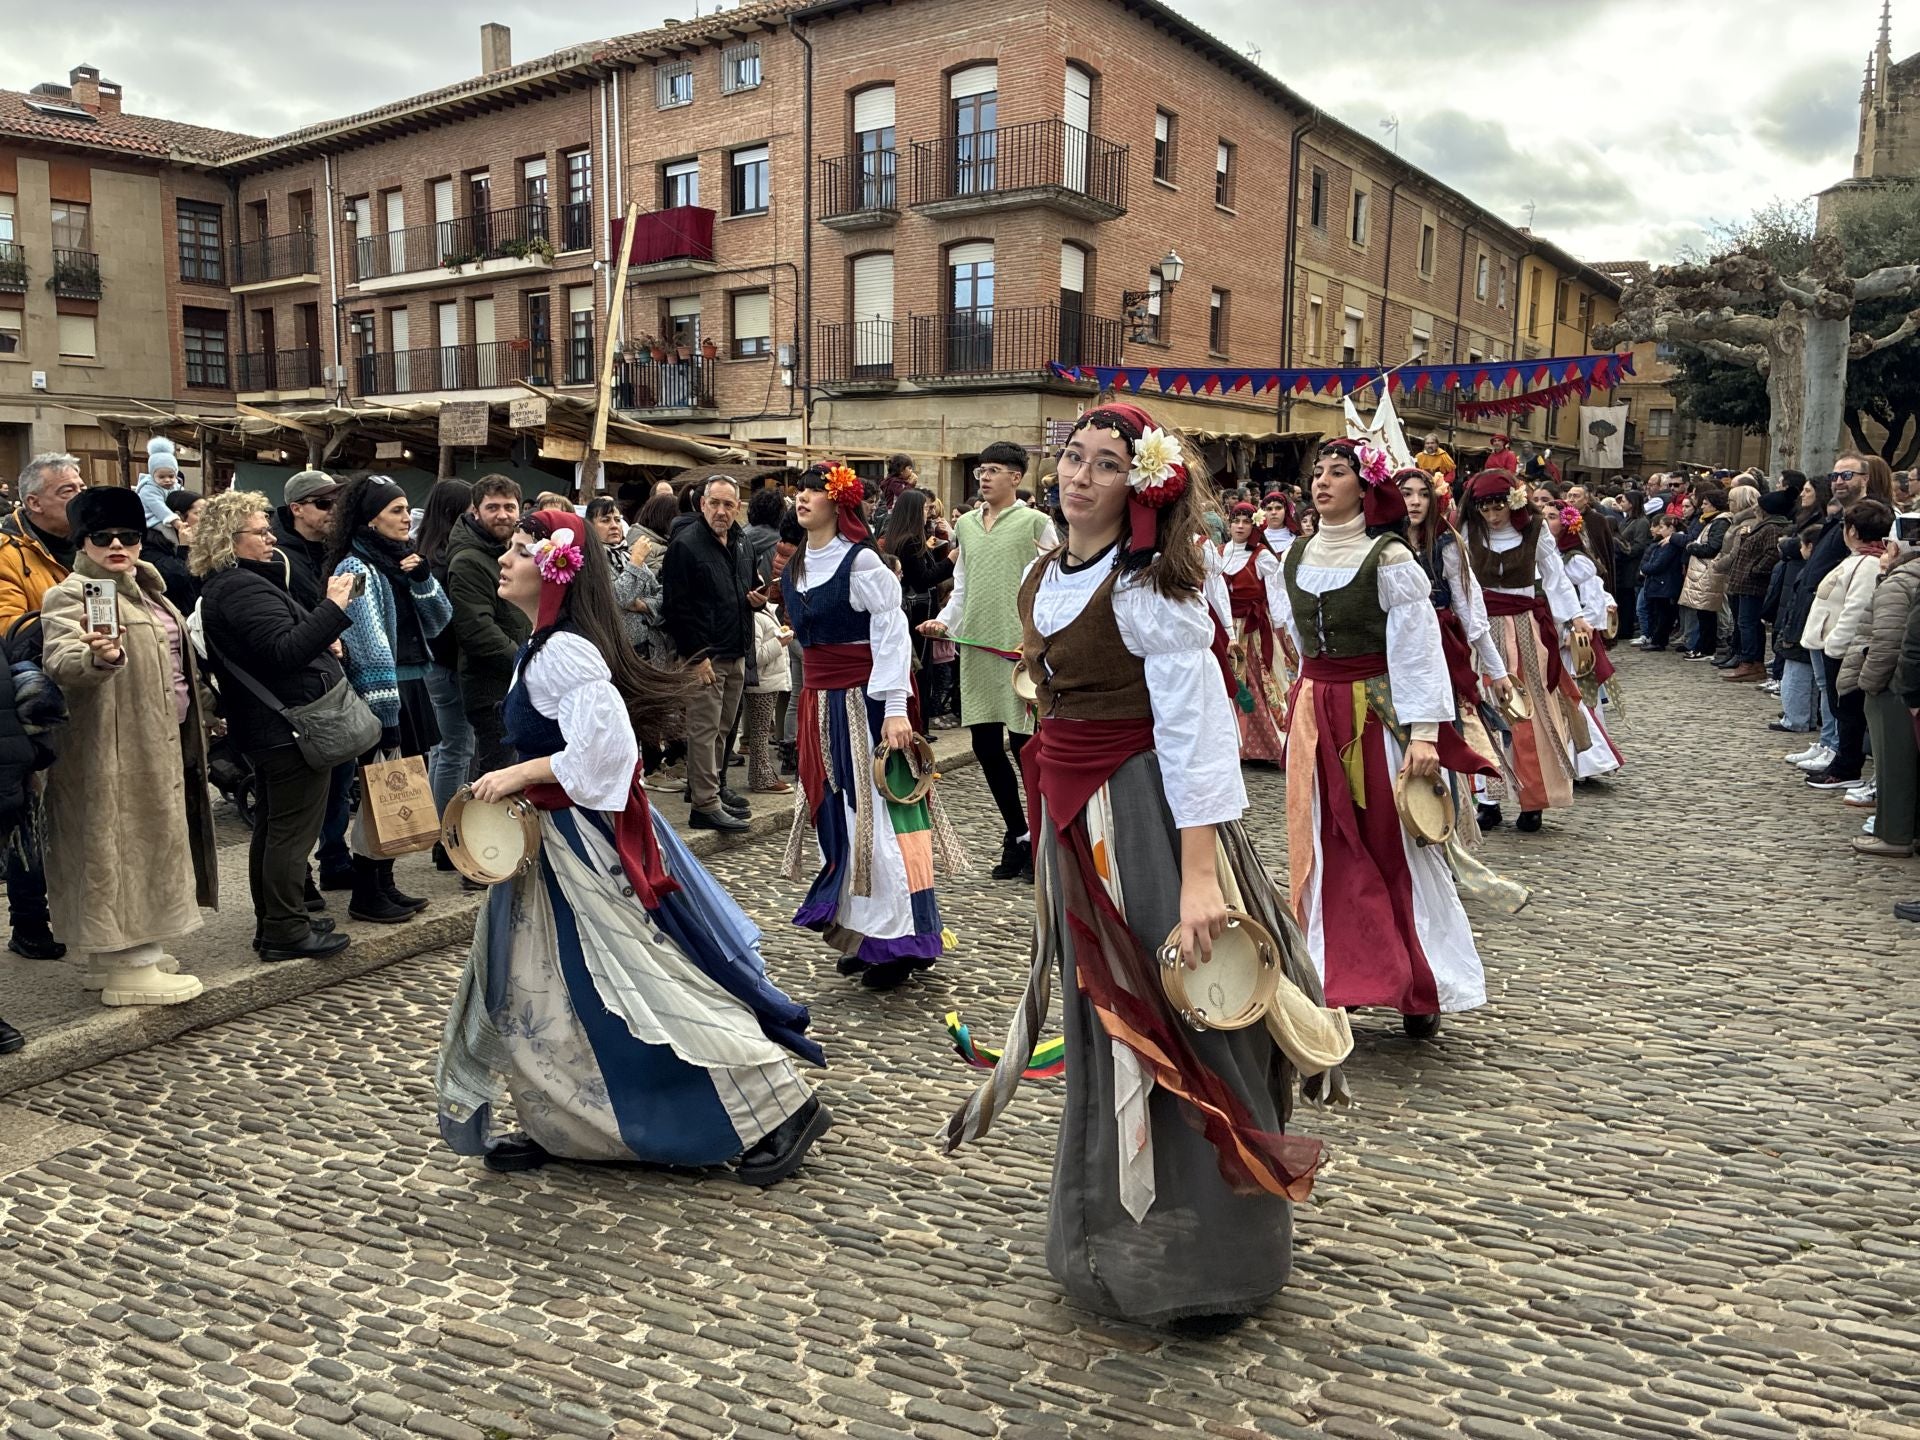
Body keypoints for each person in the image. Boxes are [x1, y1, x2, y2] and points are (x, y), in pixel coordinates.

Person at [944, 402, 1345, 1333]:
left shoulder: (1151, 589)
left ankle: (1210, 1259)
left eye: (1106, 464)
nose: (1080, 476)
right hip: (1075, 816)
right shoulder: (1047, 572)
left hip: (1144, 817)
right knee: (1105, 1018)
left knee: (1180, 1012)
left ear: (1142, 485)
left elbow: (1197, 734)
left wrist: (1199, 878)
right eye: (1073, 458)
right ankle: (1112, 1239)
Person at [436, 509, 832, 1184]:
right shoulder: (543, 646)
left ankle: (781, 1106)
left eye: (523, 550)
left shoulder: (565, 652)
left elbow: (609, 756)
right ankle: (567, 1124)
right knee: (541, 989)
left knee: (641, 977)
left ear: (556, 573)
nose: (505, 557)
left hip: (578, 847)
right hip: (547, 847)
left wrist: (520, 773)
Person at [1276, 438, 1492, 1032]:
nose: (1322, 482)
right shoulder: (1295, 555)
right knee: (1324, 846)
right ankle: (1338, 975)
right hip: (1316, 715)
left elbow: (1419, 652)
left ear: (1365, 488)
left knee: (1392, 844)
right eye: (1317, 473)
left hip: (1373, 713)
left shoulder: (1390, 558)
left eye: (1337, 473)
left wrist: (1424, 734)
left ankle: (1419, 983)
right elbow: (1295, 641)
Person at [782, 463, 960, 990]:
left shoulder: (860, 562)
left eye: (814, 491)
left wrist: (897, 708)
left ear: (839, 503)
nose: (803, 498)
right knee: (837, 818)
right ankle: (865, 935)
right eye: (800, 491)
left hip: (866, 705)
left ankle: (902, 939)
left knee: (880, 820)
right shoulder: (798, 564)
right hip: (819, 705)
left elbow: (891, 631)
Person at [41, 485, 217, 1005]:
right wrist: (100, 657)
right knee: (118, 846)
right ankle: (129, 964)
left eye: (129, 535)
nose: (117, 545)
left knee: (147, 842)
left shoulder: (148, 590)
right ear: (82, 540)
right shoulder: (71, 593)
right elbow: (62, 660)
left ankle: (120, 952)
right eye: (102, 536)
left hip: (157, 740)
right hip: (111, 748)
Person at [193, 491, 354, 961]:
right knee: (290, 832)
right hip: (285, 728)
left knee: (275, 827)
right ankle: (285, 929)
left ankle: (280, 919)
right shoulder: (239, 588)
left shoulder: (235, 584)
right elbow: (284, 651)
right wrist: (333, 608)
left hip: (272, 726)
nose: (271, 538)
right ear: (229, 539)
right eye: (260, 532)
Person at [919, 442, 1057, 881]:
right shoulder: (966, 526)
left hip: (1019, 652)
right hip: (977, 648)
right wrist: (944, 621)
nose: (984, 476)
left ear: (1017, 477)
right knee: (984, 746)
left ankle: (1042, 841)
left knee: (1025, 749)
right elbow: (962, 585)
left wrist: (1043, 641)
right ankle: (1018, 834)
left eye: (994, 469)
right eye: (981, 469)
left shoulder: (1037, 523)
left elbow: (1054, 587)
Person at [327, 474, 453, 923]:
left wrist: (424, 580)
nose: (406, 519)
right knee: (379, 792)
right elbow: (368, 645)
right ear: (370, 519)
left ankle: (385, 882)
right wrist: (385, 712)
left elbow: (438, 621)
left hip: (410, 685)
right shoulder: (356, 567)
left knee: (399, 789)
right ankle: (367, 891)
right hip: (384, 691)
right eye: (396, 511)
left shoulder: (400, 560)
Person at [1460, 469, 1590, 832]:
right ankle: (1487, 800)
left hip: (1524, 629)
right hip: (1480, 631)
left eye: (1498, 507)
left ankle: (1534, 799)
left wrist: (1575, 616)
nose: (1492, 515)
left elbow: (1555, 575)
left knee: (1530, 713)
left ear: (1513, 502)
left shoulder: (1535, 530)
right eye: (1485, 508)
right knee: (1482, 710)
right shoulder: (1469, 531)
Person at [0, 452, 83, 962]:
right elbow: (8, 628)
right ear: (33, 502)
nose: (79, 498)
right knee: (31, 810)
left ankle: (78, 907)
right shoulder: (7, 552)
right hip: (32, 702)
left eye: (80, 488)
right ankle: (29, 921)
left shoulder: (92, 542)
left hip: (89, 692)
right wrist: (73, 628)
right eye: (66, 491)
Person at [663, 475, 761, 832]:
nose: (721, 511)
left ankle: (711, 791)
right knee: (704, 730)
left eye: (728, 504)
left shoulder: (741, 541)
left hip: (735, 647)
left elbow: (745, 586)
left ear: (738, 508)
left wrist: (756, 598)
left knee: (722, 730)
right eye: (714, 503)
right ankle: (704, 805)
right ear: (702, 503)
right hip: (705, 654)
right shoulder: (686, 545)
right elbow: (677, 607)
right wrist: (695, 654)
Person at [273, 469, 352, 887]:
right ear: (297, 509)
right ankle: (298, 873)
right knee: (305, 789)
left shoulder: (336, 551)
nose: (332, 511)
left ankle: (335, 859)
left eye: (337, 503)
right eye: (323, 503)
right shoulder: (278, 557)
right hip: (300, 682)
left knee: (340, 776)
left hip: (337, 675)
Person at [1799, 499, 1894, 792]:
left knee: (1847, 711)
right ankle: (1840, 760)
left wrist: (1835, 645)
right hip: (1830, 643)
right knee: (1840, 708)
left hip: (1842, 649)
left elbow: (1855, 610)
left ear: (1852, 531)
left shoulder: (1867, 565)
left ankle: (1846, 767)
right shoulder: (1858, 559)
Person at [444, 476, 528, 780]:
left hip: (514, 682)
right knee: (496, 779)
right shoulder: (468, 560)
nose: (502, 514)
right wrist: (525, 662)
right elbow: (478, 631)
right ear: (476, 511)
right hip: (491, 688)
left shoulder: (508, 551)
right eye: (493, 507)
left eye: (509, 507)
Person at [1841, 537, 1920, 855]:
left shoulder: (1900, 581)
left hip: (1894, 685)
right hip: (1904, 681)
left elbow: (1887, 642)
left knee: (1894, 766)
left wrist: (1869, 684)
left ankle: (1894, 834)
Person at [415, 478, 475, 846]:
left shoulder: (425, 552)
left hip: (433, 664)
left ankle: (438, 829)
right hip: (450, 664)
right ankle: (447, 836)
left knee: (443, 748)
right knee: (456, 750)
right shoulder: (446, 560)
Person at [1546, 505, 1623, 782]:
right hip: (1552, 636)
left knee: (1577, 698)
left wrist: (1574, 630)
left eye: (1552, 517)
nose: (1545, 521)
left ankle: (1585, 761)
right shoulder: (1548, 555)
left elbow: (1593, 601)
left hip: (1571, 644)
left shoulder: (1575, 560)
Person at [1216, 501, 1289, 763]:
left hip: (1252, 627)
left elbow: (1277, 590)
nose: (1240, 526)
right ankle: (1229, 742)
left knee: (1254, 678)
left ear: (1254, 526)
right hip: (1225, 628)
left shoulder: (1262, 555)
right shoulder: (1219, 552)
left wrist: (1279, 624)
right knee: (1226, 679)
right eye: (1236, 521)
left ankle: (1264, 745)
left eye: (1246, 522)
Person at [1718, 484, 1790, 682]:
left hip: (1754, 583)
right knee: (1747, 623)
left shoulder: (1771, 528)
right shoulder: (1763, 525)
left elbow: (1772, 553)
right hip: (1746, 582)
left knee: (1748, 623)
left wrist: (1755, 570)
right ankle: (1751, 661)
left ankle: (1750, 662)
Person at [1638, 513, 1687, 651]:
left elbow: (1659, 564)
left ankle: (1659, 641)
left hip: (1665, 583)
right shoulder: (1664, 543)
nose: (1660, 530)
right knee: (1660, 612)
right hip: (1661, 583)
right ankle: (1657, 639)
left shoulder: (1671, 545)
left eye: (1662, 527)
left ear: (1671, 528)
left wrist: (1645, 568)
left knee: (1664, 614)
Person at [135, 439, 184, 531]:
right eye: (161, 477)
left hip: (171, 516)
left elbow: (184, 499)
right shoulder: (148, 489)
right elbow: (158, 506)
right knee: (171, 535)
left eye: (171, 476)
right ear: (152, 475)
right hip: (152, 518)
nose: (167, 480)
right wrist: (175, 521)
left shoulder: (177, 486)